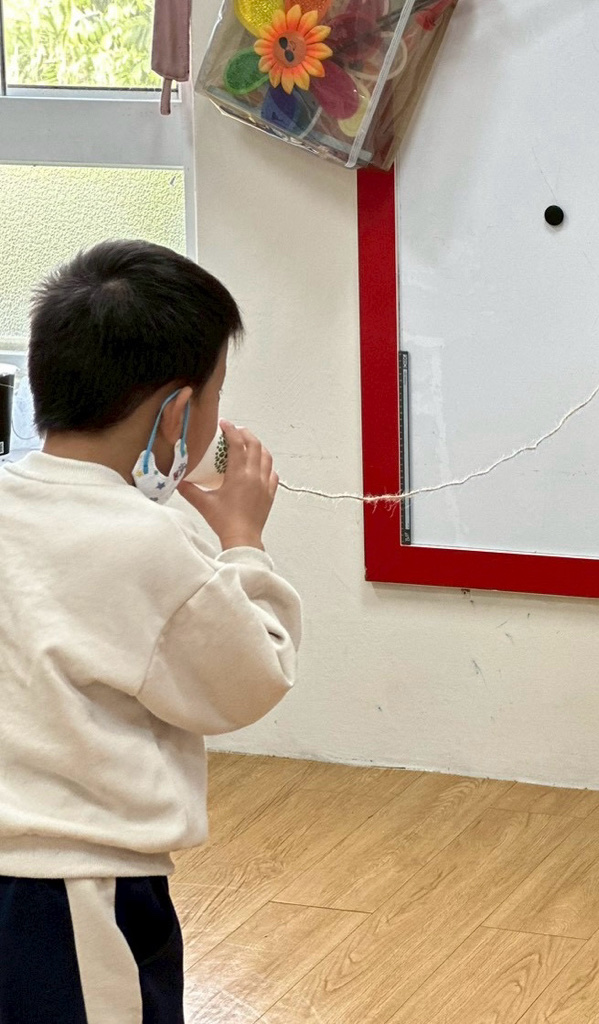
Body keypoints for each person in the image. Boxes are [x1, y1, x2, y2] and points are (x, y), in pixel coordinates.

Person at [0, 240, 302, 1020]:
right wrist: (243, 541)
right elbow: (248, 679)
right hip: (70, 892)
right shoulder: (149, 542)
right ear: (175, 412)